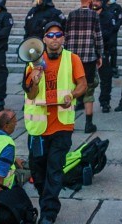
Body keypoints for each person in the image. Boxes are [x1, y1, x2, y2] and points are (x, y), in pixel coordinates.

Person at [23, 18, 86, 224]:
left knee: (55, 170)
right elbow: (31, 94)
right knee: (38, 172)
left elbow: (83, 84)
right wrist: (34, 78)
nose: (54, 39)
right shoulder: (33, 61)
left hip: (62, 124)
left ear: (64, 38)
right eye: (50, 35)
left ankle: (49, 214)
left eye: (58, 35)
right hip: (38, 127)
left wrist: (73, 95)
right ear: (43, 40)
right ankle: (46, 201)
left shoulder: (72, 58)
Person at [64, 0, 103, 133]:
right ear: (90, 0)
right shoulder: (94, 16)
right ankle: (88, 123)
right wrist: (100, 55)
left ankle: (70, 123)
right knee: (89, 90)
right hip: (89, 58)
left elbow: (66, 36)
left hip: (73, 58)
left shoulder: (72, 15)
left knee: (73, 89)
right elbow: (97, 37)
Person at [96, 0, 122, 112]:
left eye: (98, 1)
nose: (95, 3)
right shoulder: (89, 14)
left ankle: (105, 101)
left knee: (106, 79)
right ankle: (81, 100)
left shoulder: (109, 15)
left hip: (103, 49)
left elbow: (111, 32)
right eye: (94, 0)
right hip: (89, 50)